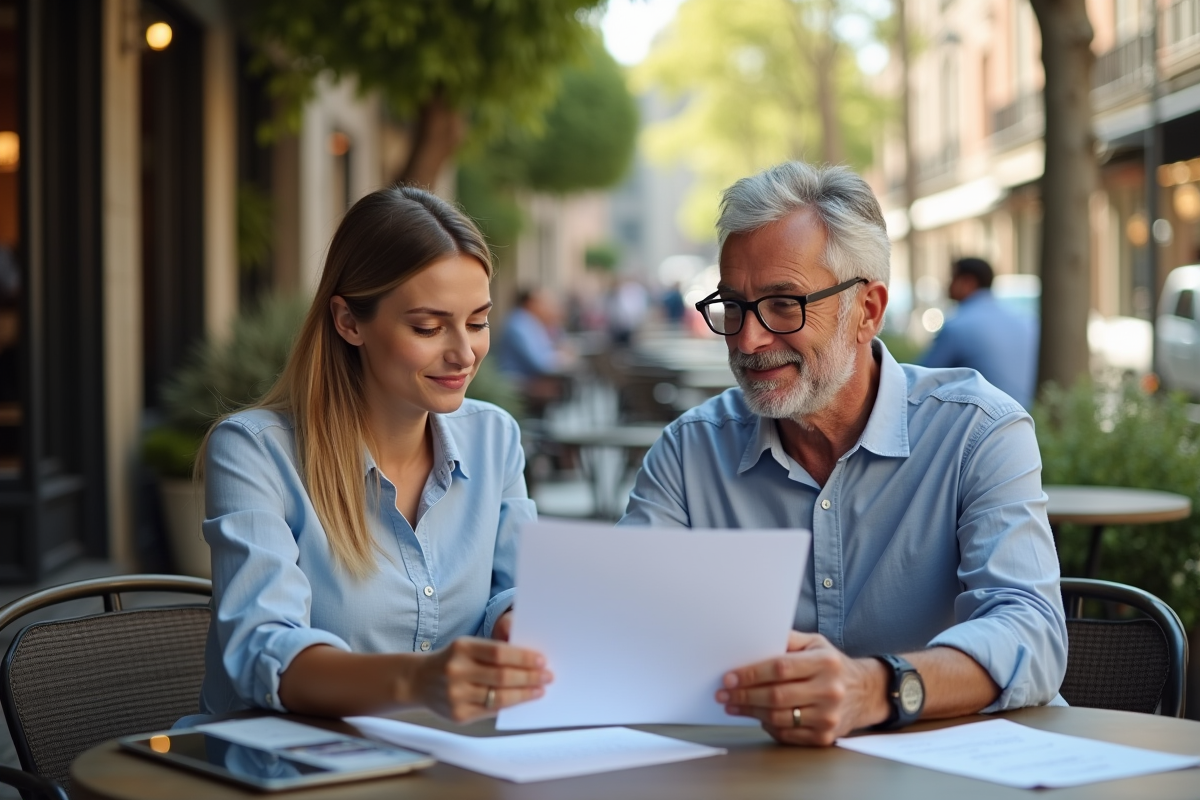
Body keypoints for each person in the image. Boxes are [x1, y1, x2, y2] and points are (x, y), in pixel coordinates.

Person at [619, 163, 1066, 746]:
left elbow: (1030, 633)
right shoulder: (689, 452)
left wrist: (874, 688)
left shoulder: (977, 432)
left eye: (783, 304)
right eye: (733, 305)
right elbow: (620, 622)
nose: (748, 339)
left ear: (868, 310)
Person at [195, 186, 552, 723]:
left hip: (443, 763)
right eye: (428, 327)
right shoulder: (256, 453)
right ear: (349, 322)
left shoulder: (494, 438)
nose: (463, 352)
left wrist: (518, 621)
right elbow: (262, 652)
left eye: (477, 322)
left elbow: (518, 589)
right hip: (284, 768)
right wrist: (419, 681)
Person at [920, 257, 1038, 409]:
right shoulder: (1026, 322)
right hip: (1027, 418)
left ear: (968, 282)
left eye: (952, 278)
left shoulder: (957, 326)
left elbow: (921, 380)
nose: (947, 284)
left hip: (984, 423)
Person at [495, 287, 574, 415]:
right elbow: (540, 363)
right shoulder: (519, 323)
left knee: (562, 386)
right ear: (530, 303)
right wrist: (563, 358)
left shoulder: (531, 322)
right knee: (557, 387)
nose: (548, 307)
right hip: (517, 382)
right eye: (543, 303)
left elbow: (548, 350)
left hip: (528, 378)